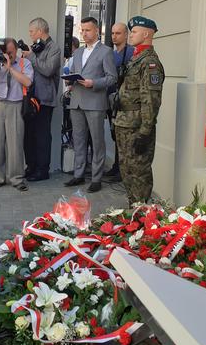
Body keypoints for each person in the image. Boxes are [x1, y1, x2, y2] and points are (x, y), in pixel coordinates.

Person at [113, 16, 164, 205]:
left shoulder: (150, 63)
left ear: (146, 34)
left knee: (139, 173)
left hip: (136, 127)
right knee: (127, 171)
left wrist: (145, 132)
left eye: (134, 32)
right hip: (124, 123)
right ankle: (133, 211)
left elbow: (150, 100)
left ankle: (142, 216)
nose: (131, 35)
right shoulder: (135, 58)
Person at [64, 17, 116, 193]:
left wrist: (94, 82)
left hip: (94, 102)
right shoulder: (77, 52)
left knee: (97, 141)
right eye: (82, 30)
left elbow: (112, 78)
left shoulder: (106, 51)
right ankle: (78, 175)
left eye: (88, 30)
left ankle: (96, 178)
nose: (84, 33)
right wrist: (70, 82)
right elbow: (74, 72)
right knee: (78, 140)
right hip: (77, 101)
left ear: (96, 31)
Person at [0, 38, 33, 191]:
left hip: (15, 105)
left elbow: (27, 82)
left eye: (10, 52)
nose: (8, 55)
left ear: (16, 50)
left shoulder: (23, 63)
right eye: (5, 52)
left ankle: (16, 178)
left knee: (15, 144)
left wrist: (10, 68)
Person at [20, 17, 62, 181]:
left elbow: (48, 70)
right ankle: (31, 166)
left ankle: (42, 170)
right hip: (31, 97)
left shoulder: (54, 48)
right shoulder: (36, 48)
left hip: (44, 99)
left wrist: (31, 56)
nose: (29, 34)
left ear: (39, 31)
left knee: (42, 135)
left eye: (31, 31)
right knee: (29, 134)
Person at [105, 22, 135, 181]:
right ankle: (116, 167)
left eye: (118, 33)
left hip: (124, 102)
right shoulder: (110, 53)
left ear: (125, 35)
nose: (114, 36)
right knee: (115, 135)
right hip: (111, 100)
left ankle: (123, 171)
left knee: (124, 137)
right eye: (112, 33)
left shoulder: (131, 52)